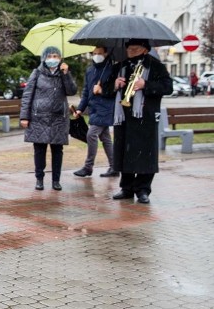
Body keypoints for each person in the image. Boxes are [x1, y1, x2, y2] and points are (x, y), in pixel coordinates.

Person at [109, 39, 172, 204]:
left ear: (145, 50)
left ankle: (143, 189)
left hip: (146, 116)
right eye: (128, 49)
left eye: (135, 49)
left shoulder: (155, 66)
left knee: (145, 153)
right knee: (125, 152)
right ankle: (126, 188)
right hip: (124, 117)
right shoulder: (120, 66)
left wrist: (146, 84)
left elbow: (168, 87)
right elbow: (105, 88)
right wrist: (114, 84)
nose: (130, 52)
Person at [19, 46, 77, 191]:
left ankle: (56, 180)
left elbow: (71, 91)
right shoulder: (37, 73)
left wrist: (66, 74)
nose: (53, 59)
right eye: (50, 56)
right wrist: (24, 116)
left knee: (57, 150)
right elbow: (27, 95)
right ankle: (39, 179)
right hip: (39, 118)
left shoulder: (63, 73)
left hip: (59, 118)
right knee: (39, 150)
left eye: (56, 56)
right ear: (44, 58)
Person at [73, 46, 119, 177]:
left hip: (106, 108)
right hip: (94, 109)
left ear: (106, 53)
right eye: (94, 53)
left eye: (100, 53)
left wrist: (101, 90)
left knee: (91, 135)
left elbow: (115, 92)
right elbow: (87, 92)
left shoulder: (112, 70)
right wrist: (80, 109)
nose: (97, 55)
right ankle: (114, 166)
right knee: (105, 138)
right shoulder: (90, 70)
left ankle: (88, 167)